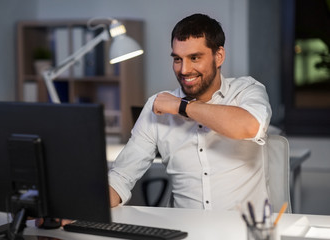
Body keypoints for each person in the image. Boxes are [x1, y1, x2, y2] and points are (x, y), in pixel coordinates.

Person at [109, 13, 272, 211]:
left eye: (194, 58)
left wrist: (182, 106)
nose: (184, 69)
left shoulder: (247, 90)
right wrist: (82, 208)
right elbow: (121, 176)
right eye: (178, 59)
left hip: (243, 231)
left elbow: (249, 126)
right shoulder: (158, 105)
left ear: (218, 56)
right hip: (183, 231)